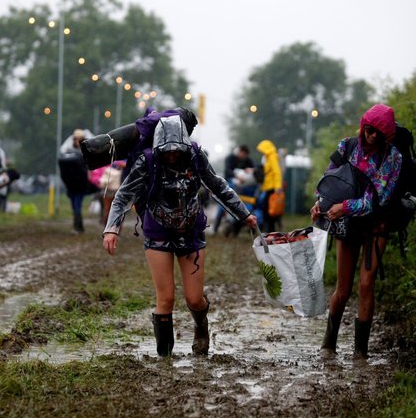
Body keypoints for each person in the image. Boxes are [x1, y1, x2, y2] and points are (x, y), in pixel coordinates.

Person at [102, 115, 258, 357]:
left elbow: (218, 186)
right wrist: (112, 228)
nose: (172, 155)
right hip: (158, 232)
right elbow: (124, 195)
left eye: (177, 151)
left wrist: (243, 214)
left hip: (191, 231)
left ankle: (201, 326)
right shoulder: (148, 161)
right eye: (167, 151)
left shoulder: (196, 157)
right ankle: (164, 358)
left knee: (194, 299)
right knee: (165, 299)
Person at [310, 104, 402, 359]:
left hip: (376, 224)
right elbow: (329, 180)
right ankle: (328, 345)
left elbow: (378, 200)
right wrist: (321, 204)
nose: (372, 136)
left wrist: (345, 207)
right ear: (364, 126)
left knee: (365, 284)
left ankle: (360, 352)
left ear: (386, 137)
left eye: (378, 134)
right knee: (343, 288)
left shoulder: (393, 158)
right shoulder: (347, 146)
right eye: (369, 130)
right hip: (348, 225)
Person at [212, 144, 254, 234]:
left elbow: (253, 168)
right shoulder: (230, 158)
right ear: (240, 152)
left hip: (241, 189)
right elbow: (227, 171)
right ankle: (216, 227)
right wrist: (236, 176)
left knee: (242, 207)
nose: (244, 157)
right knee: (222, 206)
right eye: (243, 155)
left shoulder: (247, 160)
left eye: (246, 156)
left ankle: (236, 229)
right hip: (228, 186)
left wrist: (250, 170)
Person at [59, 129, 92, 233]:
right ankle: (79, 226)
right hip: (72, 185)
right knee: (74, 206)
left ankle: (78, 227)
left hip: (80, 185)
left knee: (77, 205)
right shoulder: (69, 151)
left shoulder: (84, 151)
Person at [256, 139, 284, 233]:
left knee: (269, 211)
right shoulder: (267, 157)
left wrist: (277, 187)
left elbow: (277, 172)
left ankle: (270, 232)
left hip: (272, 188)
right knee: (267, 211)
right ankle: (269, 231)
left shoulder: (272, 156)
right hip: (267, 187)